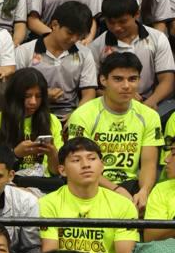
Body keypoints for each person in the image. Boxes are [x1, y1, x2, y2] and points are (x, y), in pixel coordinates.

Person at [39, 136, 138, 253]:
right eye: (76, 160)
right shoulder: (47, 203)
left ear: (102, 165)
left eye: (92, 158)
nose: (86, 165)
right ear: (62, 170)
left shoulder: (123, 205)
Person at [66, 51, 160, 205]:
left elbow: (148, 164)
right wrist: (116, 189)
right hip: (92, 184)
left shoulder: (149, 116)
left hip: (132, 185)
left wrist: (144, 192)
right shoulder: (83, 115)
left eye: (132, 79)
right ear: (103, 80)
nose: (126, 86)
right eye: (118, 79)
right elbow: (80, 165)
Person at [91, 0, 175, 114]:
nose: (117, 27)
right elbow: (92, 87)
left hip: (150, 100)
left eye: (122, 21)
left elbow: (167, 80)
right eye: (111, 22)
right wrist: (117, 96)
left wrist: (150, 103)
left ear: (136, 14)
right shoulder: (96, 46)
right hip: (112, 103)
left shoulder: (157, 38)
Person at [14, 0, 95, 119]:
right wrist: (42, 95)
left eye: (79, 36)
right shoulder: (25, 51)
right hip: (31, 113)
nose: (74, 39)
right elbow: (14, 91)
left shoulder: (85, 54)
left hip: (69, 114)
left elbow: (89, 94)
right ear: (55, 24)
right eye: (70, 33)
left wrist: (75, 116)